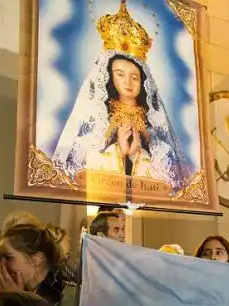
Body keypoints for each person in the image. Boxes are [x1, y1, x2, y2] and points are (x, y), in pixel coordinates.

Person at [52, 1, 193, 192]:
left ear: (143, 82)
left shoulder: (153, 119)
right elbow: (82, 158)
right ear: (109, 78)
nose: (128, 82)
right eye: (120, 74)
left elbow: (169, 172)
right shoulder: (99, 114)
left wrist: (138, 154)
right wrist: (119, 152)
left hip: (147, 189)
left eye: (134, 77)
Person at [0, 224, 71, 306]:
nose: (1, 265)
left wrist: (15, 299)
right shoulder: (27, 287)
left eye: (9, 258)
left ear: (36, 258)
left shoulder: (59, 292)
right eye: (0, 257)